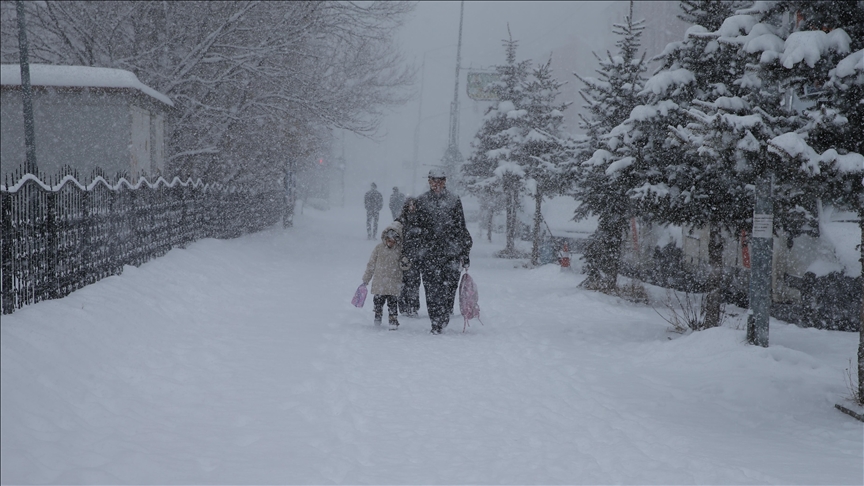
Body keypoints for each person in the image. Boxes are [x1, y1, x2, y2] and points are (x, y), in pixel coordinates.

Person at [414, 168, 472, 334]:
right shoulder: (422, 201)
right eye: (434, 180)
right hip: (429, 253)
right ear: (429, 181)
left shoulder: (454, 200)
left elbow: (461, 227)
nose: (437, 184)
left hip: (450, 253)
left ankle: (445, 314)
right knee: (431, 289)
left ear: (445, 181)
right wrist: (415, 251)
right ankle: (435, 321)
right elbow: (415, 228)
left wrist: (464, 253)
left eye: (440, 180)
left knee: (449, 288)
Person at [361, 222, 410, 330]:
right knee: (378, 302)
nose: (390, 243)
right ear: (385, 239)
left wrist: (405, 262)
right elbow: (371, 264)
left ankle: (393, 320)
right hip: (380, 282)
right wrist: (366, 279)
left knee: (392, 304)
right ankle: (377, 318)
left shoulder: (400, 250)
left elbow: (405, 266)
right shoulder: (378, 248)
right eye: (389, 241)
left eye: (393, 241)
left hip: (393, 282)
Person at [395, 196, 421, 317]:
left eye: (414, 205)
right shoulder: (400, 220)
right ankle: (403, 306)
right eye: (410, 205)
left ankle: (413, 306)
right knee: (402, 282)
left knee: (414, 283)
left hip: (416, 255)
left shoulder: (421, 220)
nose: (412, 207)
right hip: (402, 255)